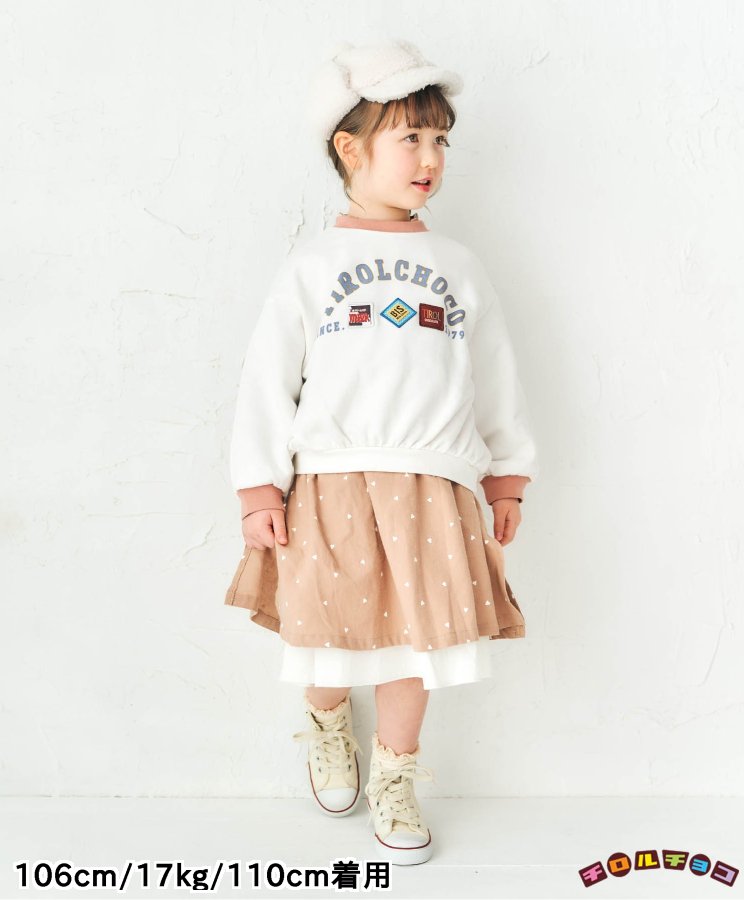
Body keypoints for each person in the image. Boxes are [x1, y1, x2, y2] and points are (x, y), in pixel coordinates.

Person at [223, 38, 540, 867]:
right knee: (329, 629)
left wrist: (507, 473)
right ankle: (330, 724)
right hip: (330, 483)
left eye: (440, 140)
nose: (430, 158)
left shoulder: (459, 267)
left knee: (414, 645)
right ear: (350, 148)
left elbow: (494, 376)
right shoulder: (311, 265)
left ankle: (396, 776)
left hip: (433, 484)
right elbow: (267, 379)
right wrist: (259, 487)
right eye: (410, 138)